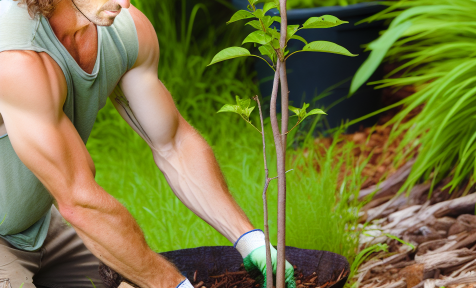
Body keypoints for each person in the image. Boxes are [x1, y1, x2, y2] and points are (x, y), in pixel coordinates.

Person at [0, 0, 296, 287]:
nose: (125, 3)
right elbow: (79, 199)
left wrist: (249, 239)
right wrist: (174, 285)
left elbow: (175, 144)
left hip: (37, 224)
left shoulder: (124, 30)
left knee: (132, 278)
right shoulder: (16, 57)